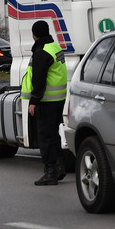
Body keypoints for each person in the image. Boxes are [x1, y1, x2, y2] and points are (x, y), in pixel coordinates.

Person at [21, 20, 69, 186]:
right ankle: (59, 167)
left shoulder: (41, 52)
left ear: (35, 35)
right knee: (54, 136)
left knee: (46, 137)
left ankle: (51, 172)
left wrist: (34, 101)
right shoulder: (54, 47)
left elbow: (39, 79)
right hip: (58, 100)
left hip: (47, 101)